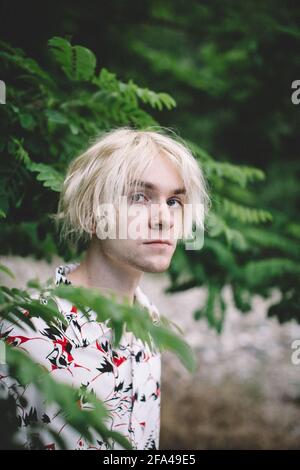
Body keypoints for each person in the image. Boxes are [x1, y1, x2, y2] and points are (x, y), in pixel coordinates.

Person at [0, 127, 209, 450]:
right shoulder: (27, 332)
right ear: (91, 216)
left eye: (174, 201)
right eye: (139, 197)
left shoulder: (149, 323)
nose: (164, 218)